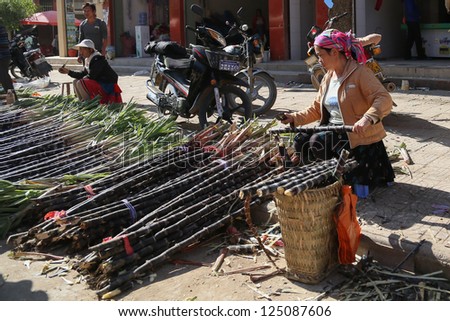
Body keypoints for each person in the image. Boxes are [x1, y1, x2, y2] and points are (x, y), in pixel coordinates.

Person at [278, 29, 395, 196]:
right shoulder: (327, 77)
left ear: (334, 52)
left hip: (354, 133)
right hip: (332, 129)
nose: (318, 59)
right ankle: (319, 179)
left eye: (320, 55)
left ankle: (341, 180)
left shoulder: (360, 73)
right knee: (300, 141)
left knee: (316, 142)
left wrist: (367, 119)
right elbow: (315, 109)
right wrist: (294, 118)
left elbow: (384, 98)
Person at [58, 39, 122, 104]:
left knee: (80, 82)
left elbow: (92, 76)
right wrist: (68, 72)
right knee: (75, 81)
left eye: (83, 50)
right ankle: (82, 102)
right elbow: (83, 74)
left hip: (107, 85)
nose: (81, 52)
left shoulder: (98, 59)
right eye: (80, 50)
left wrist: (82, 78)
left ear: (90, 50)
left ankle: (89, 104)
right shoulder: (88, 60)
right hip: (99, 83)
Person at [0, 24, 17, 101]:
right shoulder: (2, 27)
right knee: (4, 77)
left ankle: (13, 98)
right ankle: (12, 96)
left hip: (2, 56)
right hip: (5, 56)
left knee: (4, 77)